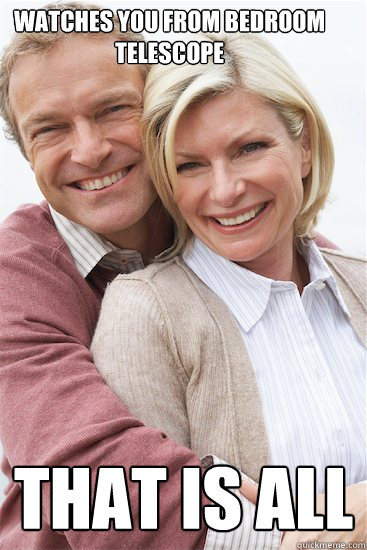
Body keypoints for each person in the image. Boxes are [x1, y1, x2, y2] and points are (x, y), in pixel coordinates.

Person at [0, 4, 275, 549]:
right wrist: (307, 528)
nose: (90, 150)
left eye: (112, 110)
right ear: (26, 151)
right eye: (50, 129)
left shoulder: (232, 221)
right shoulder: (15, 279)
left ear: (159, 110)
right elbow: (91, 480)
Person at [91, 32, 367, 546]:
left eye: (249, 148)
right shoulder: (146, 313)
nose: (224, 190)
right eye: (190, 165)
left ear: (303, 145)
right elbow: (144, 529)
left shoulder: (360, 282)